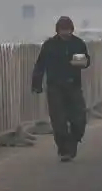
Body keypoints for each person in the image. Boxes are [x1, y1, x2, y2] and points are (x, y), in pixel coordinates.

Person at [32, 16, 91, 162]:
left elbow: (86, 61)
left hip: (73, 86)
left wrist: (77, 61)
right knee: (59, 121)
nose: (65, 33)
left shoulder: (77, 44)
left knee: (79, 119)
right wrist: (37, 84)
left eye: (68, 30)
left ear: (72, 30)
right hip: (55, 87)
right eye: (62, 30)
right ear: (57, 30)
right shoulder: (50, 45)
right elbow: (40, 65)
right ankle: (63, 149)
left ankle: (73, 141)